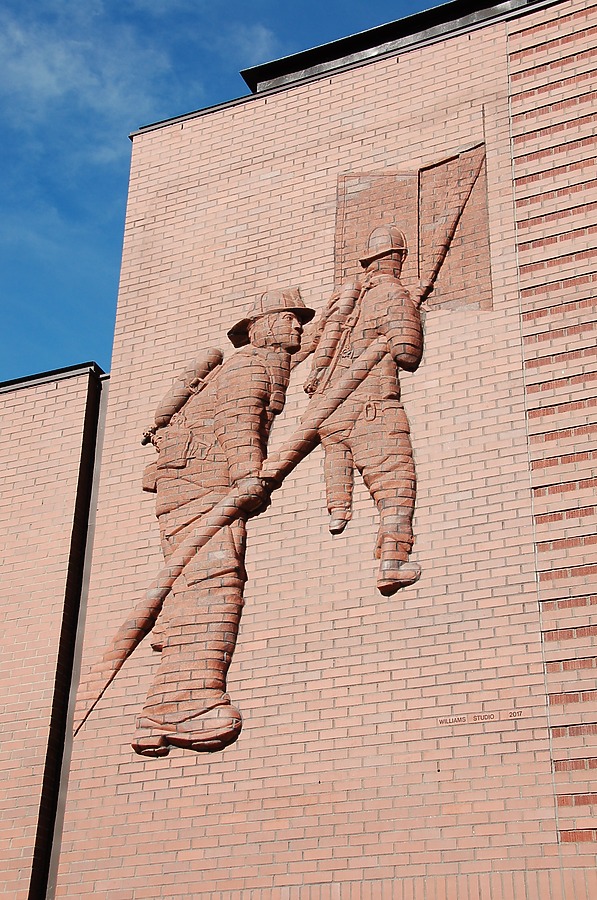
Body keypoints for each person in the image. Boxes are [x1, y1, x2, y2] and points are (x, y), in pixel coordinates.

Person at [133, 288, 314, 757]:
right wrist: (247, 476)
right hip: (200, 489)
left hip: (193, 487)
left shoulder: (266, 363)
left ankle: (164, 707)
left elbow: (302, 356)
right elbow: (238, 422)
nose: (298, 325)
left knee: (200, 589)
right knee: (214, 587)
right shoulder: (249, 366)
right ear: (262, 325)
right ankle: (183, 704)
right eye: (289, 318)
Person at [302, 225, 423, 594]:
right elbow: (407, 353)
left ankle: (338, 509)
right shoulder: (392, 294)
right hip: (371, 413)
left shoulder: (348, 305)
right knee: (396, 487)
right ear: (396, 259)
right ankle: (393, 562)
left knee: (341, 468)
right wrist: (412, 313)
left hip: (331, 418)